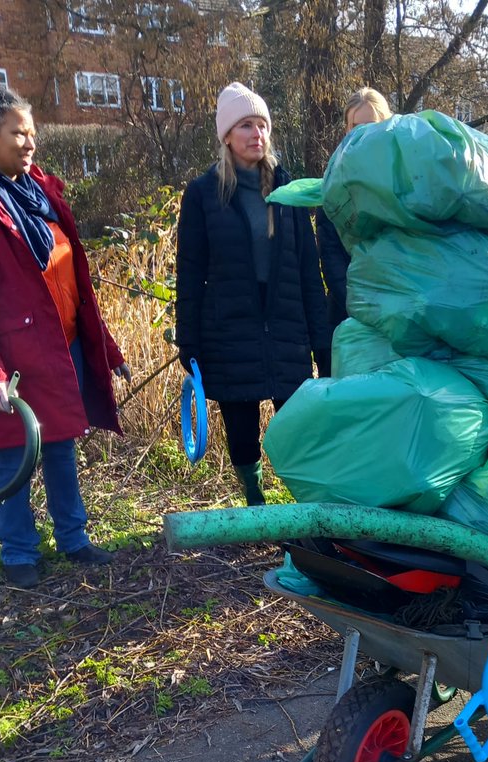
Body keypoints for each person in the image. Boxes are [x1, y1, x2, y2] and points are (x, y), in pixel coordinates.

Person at [0, 88, 129, 589]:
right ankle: (18, 551)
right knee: (16, 448)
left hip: (61, 340)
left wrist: (106, 349)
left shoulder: (40, 189)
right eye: (18, 133)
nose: (30, 143)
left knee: (61, 443)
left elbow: (76, 282)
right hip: (12, 353)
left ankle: (73, 539)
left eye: (33, 133)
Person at [176, 81, 330, 506]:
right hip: (229, 332)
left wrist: (322, 341)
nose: (256, 134)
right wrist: (187, 342)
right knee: (241, 433)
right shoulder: (203, 194)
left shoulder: (289, 193)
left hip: (285, 328)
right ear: (226, 135)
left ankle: (309, 507)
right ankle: (254, 500)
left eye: (262, 125)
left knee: (299, 430)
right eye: (246, 125)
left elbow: (308, 272)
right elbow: (189, 273)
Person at [316, 87, 394, 333]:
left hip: (398, 312)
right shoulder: (334, 183)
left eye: (371, 125)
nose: (363, 134)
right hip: (348, 316)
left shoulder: (403, 179)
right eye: (356, 127)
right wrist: (359, 306)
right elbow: (330, 256)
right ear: (346, 130)